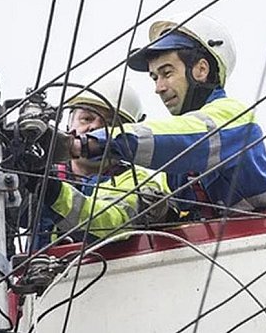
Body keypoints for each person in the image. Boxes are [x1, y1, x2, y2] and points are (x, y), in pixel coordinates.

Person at [69, 14, 266, 218]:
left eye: (167, 73)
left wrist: (90, 143)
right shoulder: (173, 169)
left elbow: (183, 138)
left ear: (201, 70)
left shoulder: (233, 117)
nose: (159, 88)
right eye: (154, 77)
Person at [26, 79, 174, 248]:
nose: (95, 128)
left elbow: (113, 222)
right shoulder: (44, 171)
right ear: (69, 123)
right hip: (40, 273)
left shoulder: (137, 181)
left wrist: (52, 191)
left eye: (110, 124)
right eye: (86, 118)